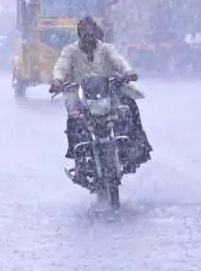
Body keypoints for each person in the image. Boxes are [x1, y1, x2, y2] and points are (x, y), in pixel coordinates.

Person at [49, 16, 153, 179]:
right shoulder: (70, 51)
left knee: (129, 106)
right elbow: (61, 66)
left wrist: (128, 72)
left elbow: (118, 60)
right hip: (80, 93)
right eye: (85, 35)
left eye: (92, 35)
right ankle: (78, 155)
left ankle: (139, 146)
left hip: (107, 91)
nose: (89, 39)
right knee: (74, 120)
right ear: (80, 35)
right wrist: (57, 80)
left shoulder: (106, 49)